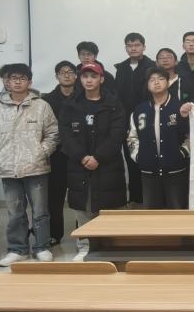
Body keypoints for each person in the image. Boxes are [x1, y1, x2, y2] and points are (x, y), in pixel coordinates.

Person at [0, 63, 60, 267]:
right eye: (13, 78)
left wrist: (42, 151)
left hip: (36, 167)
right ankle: (18, 249)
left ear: (30, 82)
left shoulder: (41, 106)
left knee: (40, 211)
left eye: (22, 78)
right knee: (15, 213)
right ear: (7, 82)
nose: (17, 82)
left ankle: (42, 247)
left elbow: (53, 132)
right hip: (8, 169)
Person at [60, 62, 127, 262]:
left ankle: (110, 247)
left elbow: (117, 135)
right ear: (80, 79)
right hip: (79, 165)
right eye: (85, 76)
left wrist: (98, 157)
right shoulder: (71, 104)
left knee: (108, 208)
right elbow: (65, 135)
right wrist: (82, 157)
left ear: (101, 79)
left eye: (93, 76)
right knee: (83, 207)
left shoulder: (114, 104)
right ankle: (85, 246)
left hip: (107, 165)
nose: (89, 80)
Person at [129, 67, 191, 210]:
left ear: (168, 83)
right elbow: (132, 137)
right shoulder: (139, 110)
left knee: (178, 211)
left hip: (176, 171)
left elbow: (191, 136)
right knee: (151, 214)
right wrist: (138, 156)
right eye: (152, 80)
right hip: (149, 172)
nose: (156, 82)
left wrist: (182, 153)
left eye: (161, 78)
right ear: (147, 85)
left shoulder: (180, 108)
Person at [114, 33, 152, 208]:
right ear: (126, 48)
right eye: (130, 46)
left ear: (143, 47)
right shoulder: (121, 68)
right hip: (124, 121)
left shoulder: (151, 67)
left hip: (146, 119)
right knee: (131, 158)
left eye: (137, 45)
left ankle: (150, 197)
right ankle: (135, 197)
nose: (133, 48)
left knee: (147, 157)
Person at [42, 61, 77, 246]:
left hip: (79, 154)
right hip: (56, 154)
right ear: (57, 76)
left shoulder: (84, 96)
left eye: (70, 72)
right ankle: (54, 234)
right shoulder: (47, 100)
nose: (67, 75)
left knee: (80, 196)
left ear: (76, 75)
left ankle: (84, 235)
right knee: (54, 197)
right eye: (62, 72)